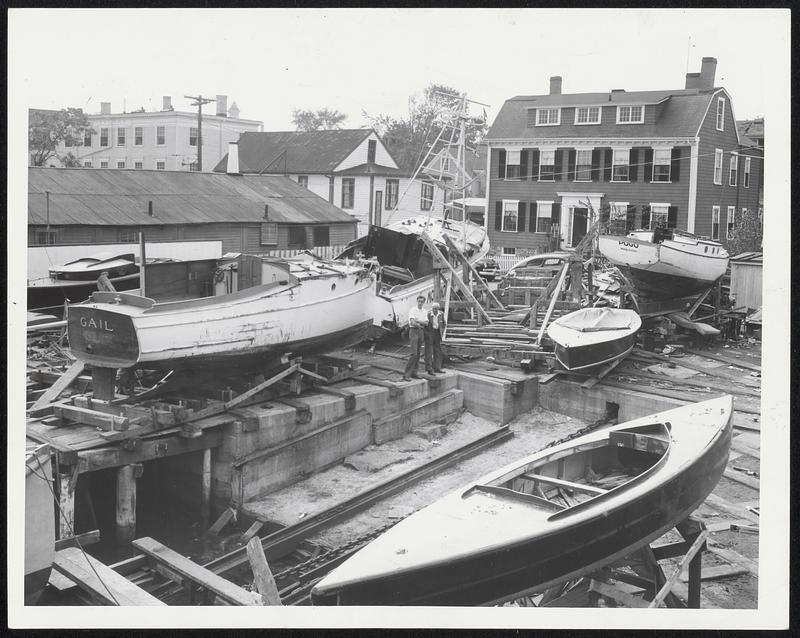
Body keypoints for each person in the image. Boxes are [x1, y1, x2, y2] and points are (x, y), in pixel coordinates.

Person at [403, 295, 428, 381]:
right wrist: (419, 324)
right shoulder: (413, 310)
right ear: (417, 301)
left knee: (418, 353)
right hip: (413, 331)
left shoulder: (425, 311)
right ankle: (406, 375)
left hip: (420, 332)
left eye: (422, 301)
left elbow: (427, 323)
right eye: (419, 301)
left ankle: (414, 373)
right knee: (414, 353)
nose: (420, 303)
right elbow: (412, 322)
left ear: (424, 302)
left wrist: (418, 321)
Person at [425, 301, 446, 374]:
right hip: (430, 332)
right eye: (434, 309)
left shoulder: (441, 314)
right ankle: (429, 369)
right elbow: (425, 325)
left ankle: (437, 367)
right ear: (432, 309)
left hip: (437, 333)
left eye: (436, 309)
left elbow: (444, 323)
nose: (435, 310)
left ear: (438, 309)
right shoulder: (428, 314)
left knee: (437, 351)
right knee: (429, 351)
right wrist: (427, 334)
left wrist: (442, 332)